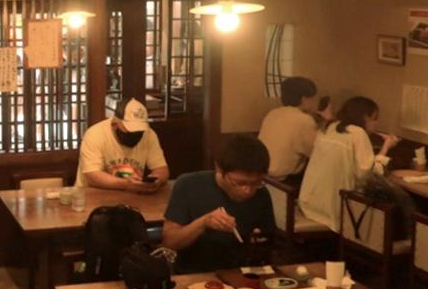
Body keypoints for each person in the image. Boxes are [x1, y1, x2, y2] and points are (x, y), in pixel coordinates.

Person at [161, 135, 275, 274]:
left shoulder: (261, 193)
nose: (248, 190)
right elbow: (170, 242)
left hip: (242, 274)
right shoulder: (188, 185)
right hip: (196, 275)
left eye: (256, 183)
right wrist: (203, 222)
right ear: (219, 169)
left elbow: (268, 245)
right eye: (239, 183)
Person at [298, 96, 399, 233]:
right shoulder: (358, 133)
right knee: (395, 206)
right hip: (332, 209)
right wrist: (386, 147)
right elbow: (367, 174)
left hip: (309, 202)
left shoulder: (328, 127)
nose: (376, 123)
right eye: (375, 118)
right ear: (365, 117)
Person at [75, 97, 169, 193]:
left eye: (139, 131)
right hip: (92, 195)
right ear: (115, 123)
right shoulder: (95, 134)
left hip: (132, 196)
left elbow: (161, 169)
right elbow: (92, 175)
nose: (134, 134)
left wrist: (156, 180)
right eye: (130, 130)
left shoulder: (149, 134)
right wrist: (126, 184)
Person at [258, 76, 328, 182]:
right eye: (313, 98)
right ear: (304, 99)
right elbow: (317, 152)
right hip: (283, 180)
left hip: (262, 175)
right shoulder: (304, 119)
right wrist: (328, 122)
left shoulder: (273, 113)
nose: (314, 102)